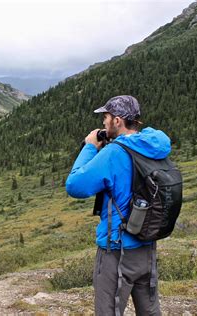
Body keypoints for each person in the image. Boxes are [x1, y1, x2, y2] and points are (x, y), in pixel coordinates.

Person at [66, 95, 170, 315]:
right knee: (150, 311)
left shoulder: (115, 153)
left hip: (117, 251)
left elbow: (75, 186)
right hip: (148, 246)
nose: (103, 122)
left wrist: (90, 147)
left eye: (106, 117)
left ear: (118, 120)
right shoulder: (153, 146)